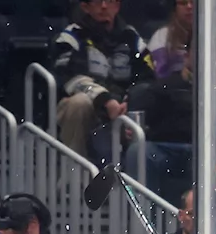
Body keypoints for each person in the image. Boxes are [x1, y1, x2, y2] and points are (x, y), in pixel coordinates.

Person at [125, 54, 216, 207]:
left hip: (209, 148)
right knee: (138, 151)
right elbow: (142, 113)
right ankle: (144, 222)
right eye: (196, 50)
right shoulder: (169, 84)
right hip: (168, 146)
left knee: (210, 155)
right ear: (186, 56)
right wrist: (130, 128)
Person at [50, 0, 155, 160]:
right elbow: (69, 78)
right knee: (79, 103)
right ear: (86, 7)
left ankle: (134, 179)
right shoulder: (70, 37)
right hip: (85, 105)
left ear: (118, 6)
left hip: (122, 107)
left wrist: (130, 101)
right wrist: (105, 101)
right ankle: (75, 175)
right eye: (98, 1)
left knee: (144, 107)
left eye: (110, 1)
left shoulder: (132, 38)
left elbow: (147, 78)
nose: (104, 6)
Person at [147, 0, 216, 78]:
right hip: (173, 92)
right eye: (183, 3)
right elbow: (155, 74)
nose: (189, 6)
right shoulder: (161, 37)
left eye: (194, 2)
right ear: (174, 8)